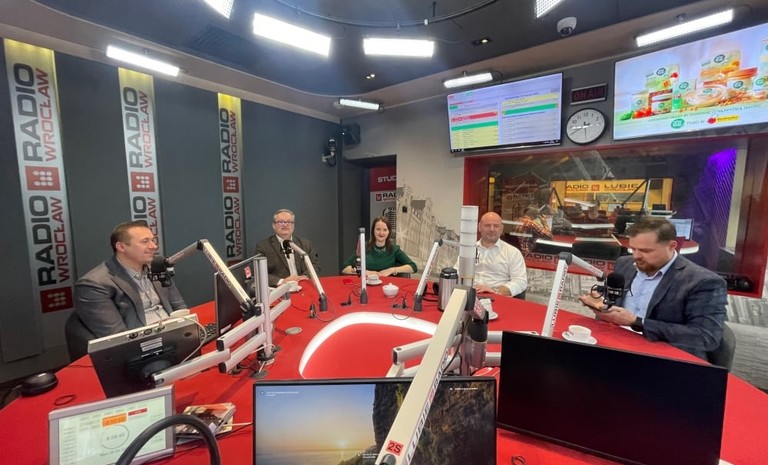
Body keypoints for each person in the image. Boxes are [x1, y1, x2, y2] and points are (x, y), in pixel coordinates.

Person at [578, 217, 727, 360]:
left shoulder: (703, 282)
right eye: (633, 249)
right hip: (616, 344)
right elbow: (612, 298)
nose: (636, 256)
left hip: (665, 357)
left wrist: (637, 322)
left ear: (672, 246)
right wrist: (599, 302)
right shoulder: (624, 264)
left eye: (646, 251)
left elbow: (706, 337)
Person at [70, 220, 188, 342]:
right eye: (145, 241)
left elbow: (179, 307)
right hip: (142, 345)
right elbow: (118, 338)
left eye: (153, 240)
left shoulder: (157, 267)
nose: (154, 246)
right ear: (121, 247)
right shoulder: (94, 284)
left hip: (175, 336)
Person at [458, 211, 527, 297]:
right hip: (469, 295)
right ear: (479, 227)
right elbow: (457, 272)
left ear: (501, 229)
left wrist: (495, 290)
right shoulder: (468, 250)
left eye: (496, 226)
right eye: (487, 225)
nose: (492, 229)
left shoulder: (513, 252)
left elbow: (520, 281)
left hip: (497, 297)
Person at [254, 209, 320, 287]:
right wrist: (282, 281)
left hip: (303, 285)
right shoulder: (263, 246)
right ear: (273, 225)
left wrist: (304, 276)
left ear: (293, 225)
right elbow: (259, 273)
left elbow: (315, 266)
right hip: (280, 289)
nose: (285, 225)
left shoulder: (305, 244)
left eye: (289, 222)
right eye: (281, 222)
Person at [341, 217, 417, 278]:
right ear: (373, 231)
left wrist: (391, 270)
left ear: (389, 232)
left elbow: (413, 267)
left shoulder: (394, 249)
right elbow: (344, 268)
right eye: (378, 229)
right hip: (367, 285)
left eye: (385, 230)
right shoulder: (364, 246)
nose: (381, 233)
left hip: (388, 287)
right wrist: (365, 272)